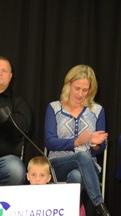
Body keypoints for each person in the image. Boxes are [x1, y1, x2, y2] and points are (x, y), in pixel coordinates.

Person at [44, 64, 110, 216]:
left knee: (76, 175)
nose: (80, 94)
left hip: (88, 169)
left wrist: (95, 144)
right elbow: (49, 142)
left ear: (91, 90)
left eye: (85, 90)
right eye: (77, 88)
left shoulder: (97, 111)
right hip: (57, 165)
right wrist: (77, 142)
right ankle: (100, 206)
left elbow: (99, 150)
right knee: (82, 155)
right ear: (68, 85)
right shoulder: (54, 108)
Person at [0, 56, 33, 186]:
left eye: (4, 70)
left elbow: (22, 131)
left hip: (3, 161)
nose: (0, 73)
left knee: (15, 170)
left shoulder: (18, 102)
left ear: (10, 76)